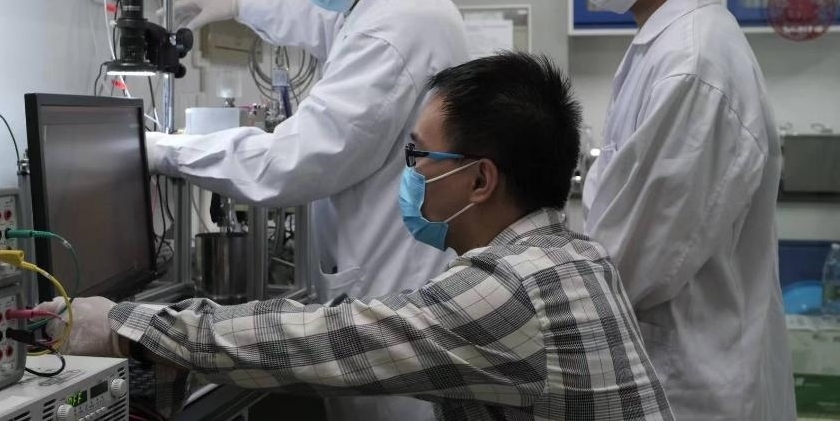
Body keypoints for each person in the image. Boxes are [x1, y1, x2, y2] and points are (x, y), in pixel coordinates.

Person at [41, 53, 674, 421]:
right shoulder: (572, 255)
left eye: (418, 156)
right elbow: (359, 327)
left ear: (481, 180)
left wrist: (122, 326)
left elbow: (327, 341)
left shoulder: (512, 290)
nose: (408, 172)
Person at [147, 0, 468, 420]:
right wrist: (236, 5)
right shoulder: (382, 1)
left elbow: (293, 163)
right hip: (385, 285)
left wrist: (164, 150)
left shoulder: (395, 28)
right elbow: (314, 19)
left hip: (391, 293)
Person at [555, 0, 795, 420]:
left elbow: (634, 261)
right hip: (672, 369)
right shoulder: (669, 45)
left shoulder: (692, 65)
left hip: (690, 385)